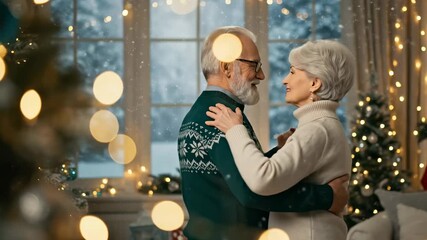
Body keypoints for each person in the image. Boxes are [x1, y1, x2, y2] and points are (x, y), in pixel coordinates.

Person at [178, 26, 349, 240]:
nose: (261, 74)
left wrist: (278, 153)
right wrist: (328, 197)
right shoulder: (219, 116)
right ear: (228, 68)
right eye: (254, 65)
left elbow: (233, 175)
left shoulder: (207, 111)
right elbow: (251, 191)